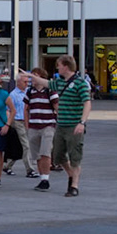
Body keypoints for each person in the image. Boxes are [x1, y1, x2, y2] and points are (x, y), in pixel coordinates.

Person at [51, 54, 91, 198]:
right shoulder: (60, 82)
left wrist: (82, 122)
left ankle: (74, 185)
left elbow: (87, 102)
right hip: (61, 125)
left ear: (66, 66)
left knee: (75, 156)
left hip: (74, 125)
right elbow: (46, 83)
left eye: (59, 65)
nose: (58, 68)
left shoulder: (80, 83)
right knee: (57, 155)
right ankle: (70, 175)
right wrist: (31, 76)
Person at [24, 70, 57, 191]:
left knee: (45, 152)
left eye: (35, 76)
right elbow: (26, 108)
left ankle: (46, 179)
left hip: (48, 125)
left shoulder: (49, 91)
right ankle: (42, 178)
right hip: (34, 126)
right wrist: (27, 125)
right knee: (36, 154)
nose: (32, 79)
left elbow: (56, 106)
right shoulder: (30, 91)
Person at [3, 71, 29, 175]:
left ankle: (7, 165)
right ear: (18, 82)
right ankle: (30, 169)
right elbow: (7, 109)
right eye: (25, 82)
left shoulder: (28, 92)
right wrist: (9, 122)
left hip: (27, 121)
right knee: (26, 145)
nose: (27, 84)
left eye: (28, 82)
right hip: (17, 121)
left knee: (19, 145)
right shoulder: (13, 95)